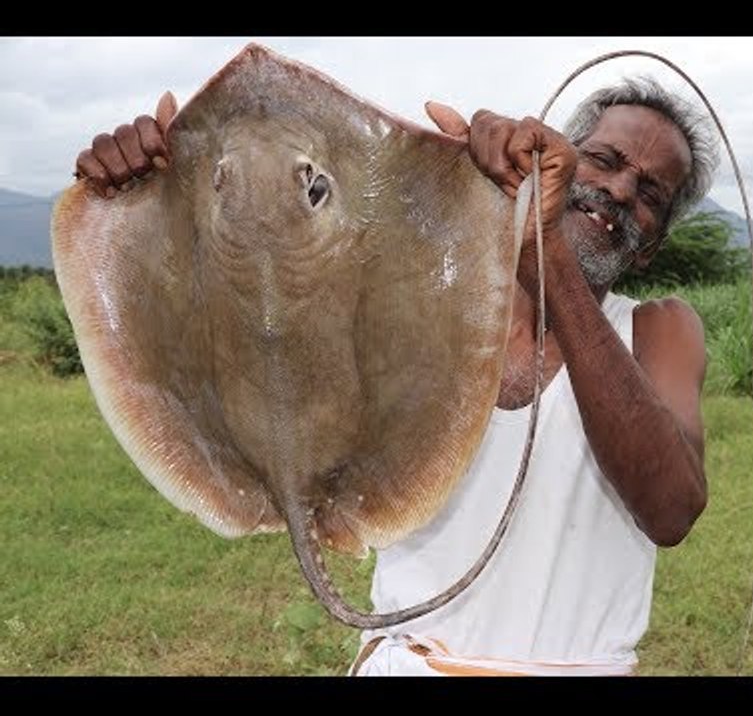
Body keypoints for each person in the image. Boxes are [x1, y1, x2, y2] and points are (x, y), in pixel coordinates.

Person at [75, 74, 719, 677]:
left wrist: (543, 252)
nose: (620, 191)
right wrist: (142, 196)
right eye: (604, 159)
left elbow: (670, 510)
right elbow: (264, 290)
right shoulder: (429, 294)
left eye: (651, 193)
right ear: (556, 157)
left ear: (654, 240)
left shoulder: (661, 330)